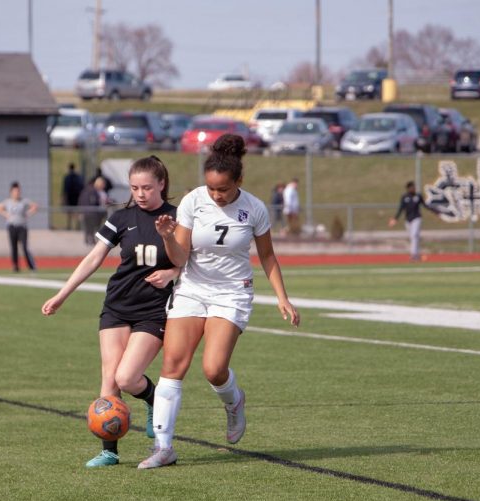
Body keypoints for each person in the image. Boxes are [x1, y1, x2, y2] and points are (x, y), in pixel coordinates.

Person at [138, 134, 301, 469]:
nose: (216, 195)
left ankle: (234, 402)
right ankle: (163, 447)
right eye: (211, 188)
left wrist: (282, 298)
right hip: (192, 289)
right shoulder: (192, 202)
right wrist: (169, 236)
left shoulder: (254, 208)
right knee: (173, 366)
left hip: (232, 293)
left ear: (238, 181)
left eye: (223, 190)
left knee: (213, 369)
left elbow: (268, 256)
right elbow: (180, 257)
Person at [41, 156, 180, 467]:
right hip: (117, 305)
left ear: (161, 184)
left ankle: (151, 398)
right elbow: (93, 258)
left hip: (153, 309)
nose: (141, 193)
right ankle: (109, 451)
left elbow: (191, 261)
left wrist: (172, 273)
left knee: (128, 377)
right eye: (134, 187)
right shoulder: (121, 218)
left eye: (146, 187)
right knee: (109, 380)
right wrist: (63, 294)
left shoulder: (177, 217)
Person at [0, 181, 38, 272]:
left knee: (25, 247)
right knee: (13, 247)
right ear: (11, 192)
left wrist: (28, 213)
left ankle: (31, 266)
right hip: (12, 226)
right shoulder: (8, 202)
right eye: (15, 191)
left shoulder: (23, 201)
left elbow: (34, 206)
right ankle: (15, 266)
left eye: (18, 191)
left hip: (22, 226)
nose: (17, 193)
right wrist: (5, 214)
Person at [388, 180, 434, 262]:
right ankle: (417, 254)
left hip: (416, 218)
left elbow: (425, 205)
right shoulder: (405, 197)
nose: (414, 189)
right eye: (412, 187)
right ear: (408, 188)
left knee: (414, 236)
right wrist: (395, 219)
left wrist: (435, 211)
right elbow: (401, 209)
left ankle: (413, 255)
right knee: (412, 238)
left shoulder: (418, 196)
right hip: (408, 220)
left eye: (414, 187)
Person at [78, 177, 109, 246]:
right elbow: (95, 202)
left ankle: (89, 241)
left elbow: (81, 201)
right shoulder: (92, 191)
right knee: (92, 228)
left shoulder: (85, 191)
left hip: (88, 213)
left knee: (89, 229)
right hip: (92, 213)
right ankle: (92, 241)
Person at [62, 163, 85, 231]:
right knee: (77, 211)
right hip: (76, 197)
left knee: (69, 212)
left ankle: (69, 226)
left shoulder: (67, 177)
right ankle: (77, 226)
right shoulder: (78, 177)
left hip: (69, 197)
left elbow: (65, 188)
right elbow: (81, 187)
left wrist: (63, 197)